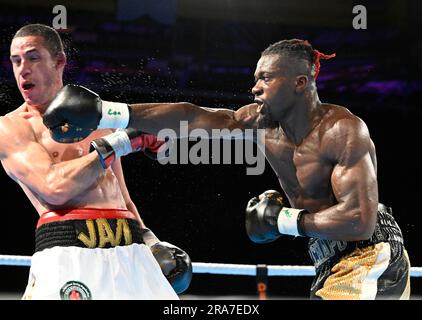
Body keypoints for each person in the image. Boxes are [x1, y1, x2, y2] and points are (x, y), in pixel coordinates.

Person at [43, 39, 411, 300]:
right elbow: (194, 116)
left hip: (370, 251)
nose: (255, 87)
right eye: (255, 77)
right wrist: (110, 112)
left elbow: (359, 221)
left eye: (267, 78)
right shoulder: (260, 122)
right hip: (327, 260)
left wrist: (282, 221)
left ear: (301, 82)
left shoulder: (342, 130)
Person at [0, 23, 192, 300]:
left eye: (33, 57)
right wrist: (125, 141)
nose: (23, 69)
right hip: (70, 250)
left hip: (130, 249)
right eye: (16, 61)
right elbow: (54, 188)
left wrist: (150, 241)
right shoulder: (11, 128)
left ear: (59, 61)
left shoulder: (98, 117)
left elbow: (123, 198)